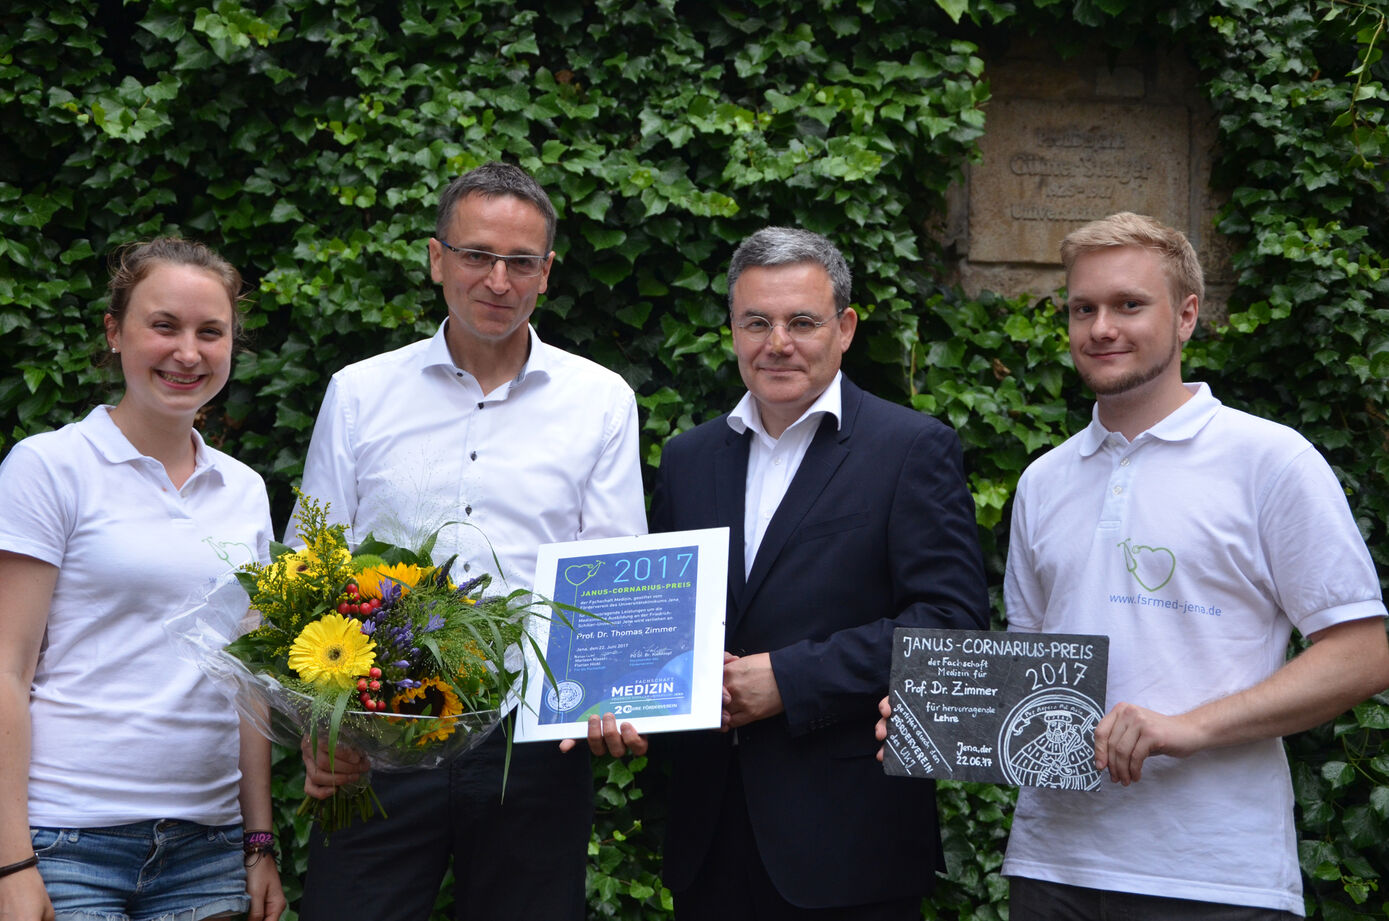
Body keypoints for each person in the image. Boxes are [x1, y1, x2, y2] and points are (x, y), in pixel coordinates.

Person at [876, 211, 1389, 919]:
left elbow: (1362, 654)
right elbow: (1035, 673)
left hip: (1214, 875)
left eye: (1127, 304)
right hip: (1052, 866)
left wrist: (1189, 727)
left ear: (1185, 315)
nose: (1100, 327)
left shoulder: (1269, 460)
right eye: (1082, 308)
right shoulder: (1042, 480)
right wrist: (939, 716)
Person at [575, 227, 989, 919]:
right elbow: (669, 623)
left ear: (845, 327)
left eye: (801, 321)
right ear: (732, 330)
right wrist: (622, 697)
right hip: (710, 840)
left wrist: (789, 681)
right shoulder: (688, 457)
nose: (777, 342)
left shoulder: (911, 448)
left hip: (850, 845)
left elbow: (950, 624)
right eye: (756, 322)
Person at [293, 161, 646, 921]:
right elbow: (311, 566)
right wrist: (318, 725)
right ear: (435, 258)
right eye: (476, 255)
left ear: (546, 274)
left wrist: (618, 692)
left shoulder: (601, 400)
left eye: (521, 262)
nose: (497, 279)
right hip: (378, 732)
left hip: (533, 744)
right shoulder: (358, 392)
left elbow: (615, 572)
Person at [0, 238, 286, 921]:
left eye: (209, 332)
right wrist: (11, 861)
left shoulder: (243, 490)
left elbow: (247, 682)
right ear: (114, 332)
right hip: (67, 843)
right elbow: (6, 669)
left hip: (206, 849)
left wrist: (259, 842)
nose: (187, 352)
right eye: (164, 326)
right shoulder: (47, 467)